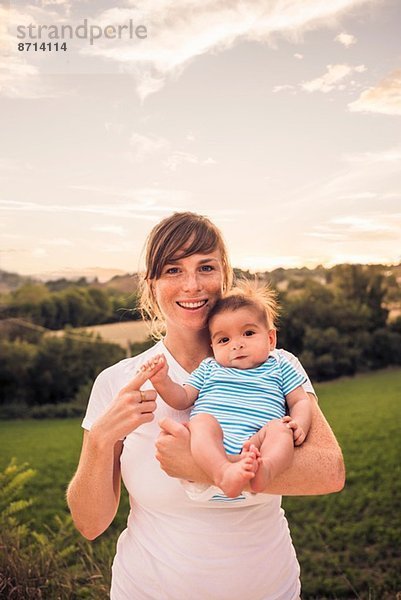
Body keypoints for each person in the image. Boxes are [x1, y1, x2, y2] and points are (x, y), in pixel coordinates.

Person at [67, 211, 345, 600]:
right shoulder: (119, 381)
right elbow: (90, 524)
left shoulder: (274, 364)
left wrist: (202, 468)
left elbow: (329, 471)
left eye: (206, 267)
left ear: (225, 274)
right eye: (173, 270)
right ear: (152, 284)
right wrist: (99, 441)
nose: (192, 285)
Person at [139, 283, 312, 499]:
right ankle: (223, 472)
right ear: (213, 346)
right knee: (202, 421)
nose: (236, 345)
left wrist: (299, 424)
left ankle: (265, 470)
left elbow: (300, 401)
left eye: (248, 333)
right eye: (224, 340)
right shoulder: (210, 367)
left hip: (257, 446)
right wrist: (162, 380)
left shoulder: (279, 365)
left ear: (270, 339)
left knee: (280, 429)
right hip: (210, 453)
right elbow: (182, 398)